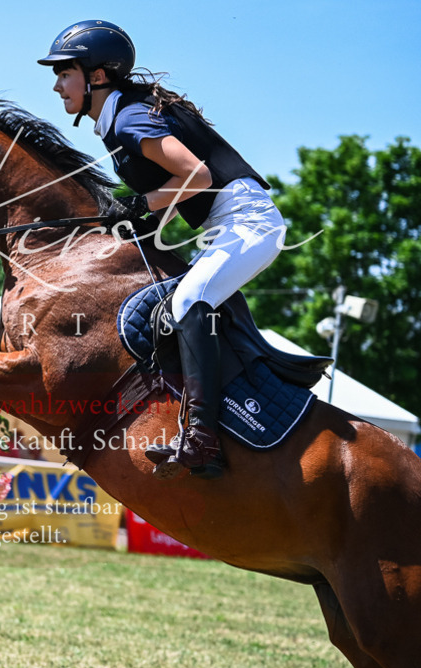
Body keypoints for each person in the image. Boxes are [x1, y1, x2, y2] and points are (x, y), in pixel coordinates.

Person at [39, 20, 286, 480]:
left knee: (189, 301)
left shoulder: (129, 117)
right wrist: (145, 220)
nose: (56, 86)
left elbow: (198, 177)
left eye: (64, 73)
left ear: (96, 75)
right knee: (177, 305)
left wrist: (138, 204)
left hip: (247, 222)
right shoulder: (121, 115)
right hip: (225, 222)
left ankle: (200, 439)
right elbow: (176, 190)